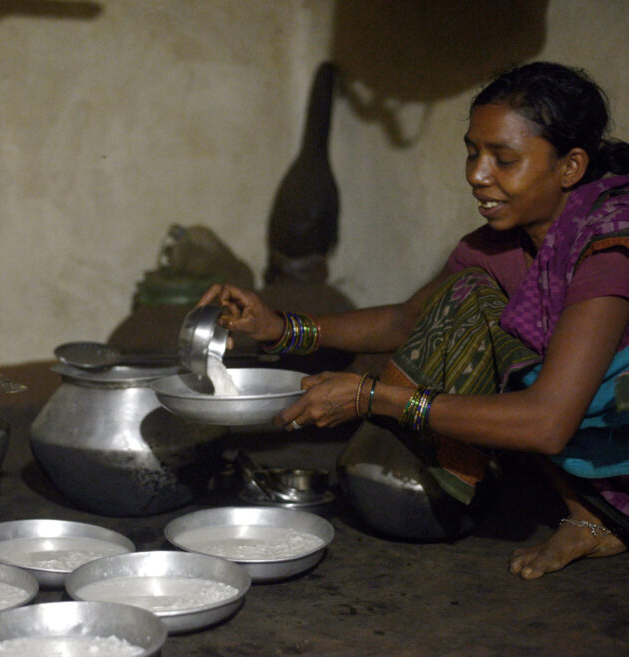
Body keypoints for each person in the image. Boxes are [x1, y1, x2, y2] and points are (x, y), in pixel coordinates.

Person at [199, 61, 629, 579]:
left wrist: (375, 397)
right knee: (466, 297)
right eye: (473, 152)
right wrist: (282, 328)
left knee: (501, 352)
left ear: (570, 166)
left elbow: (547, 422)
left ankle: (600, 512)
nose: (476, 174)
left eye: (504, 159)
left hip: (573, 429)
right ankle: (587, 509)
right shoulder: (499, 246)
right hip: (565, 429)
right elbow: (408, 319)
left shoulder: (609, 246)